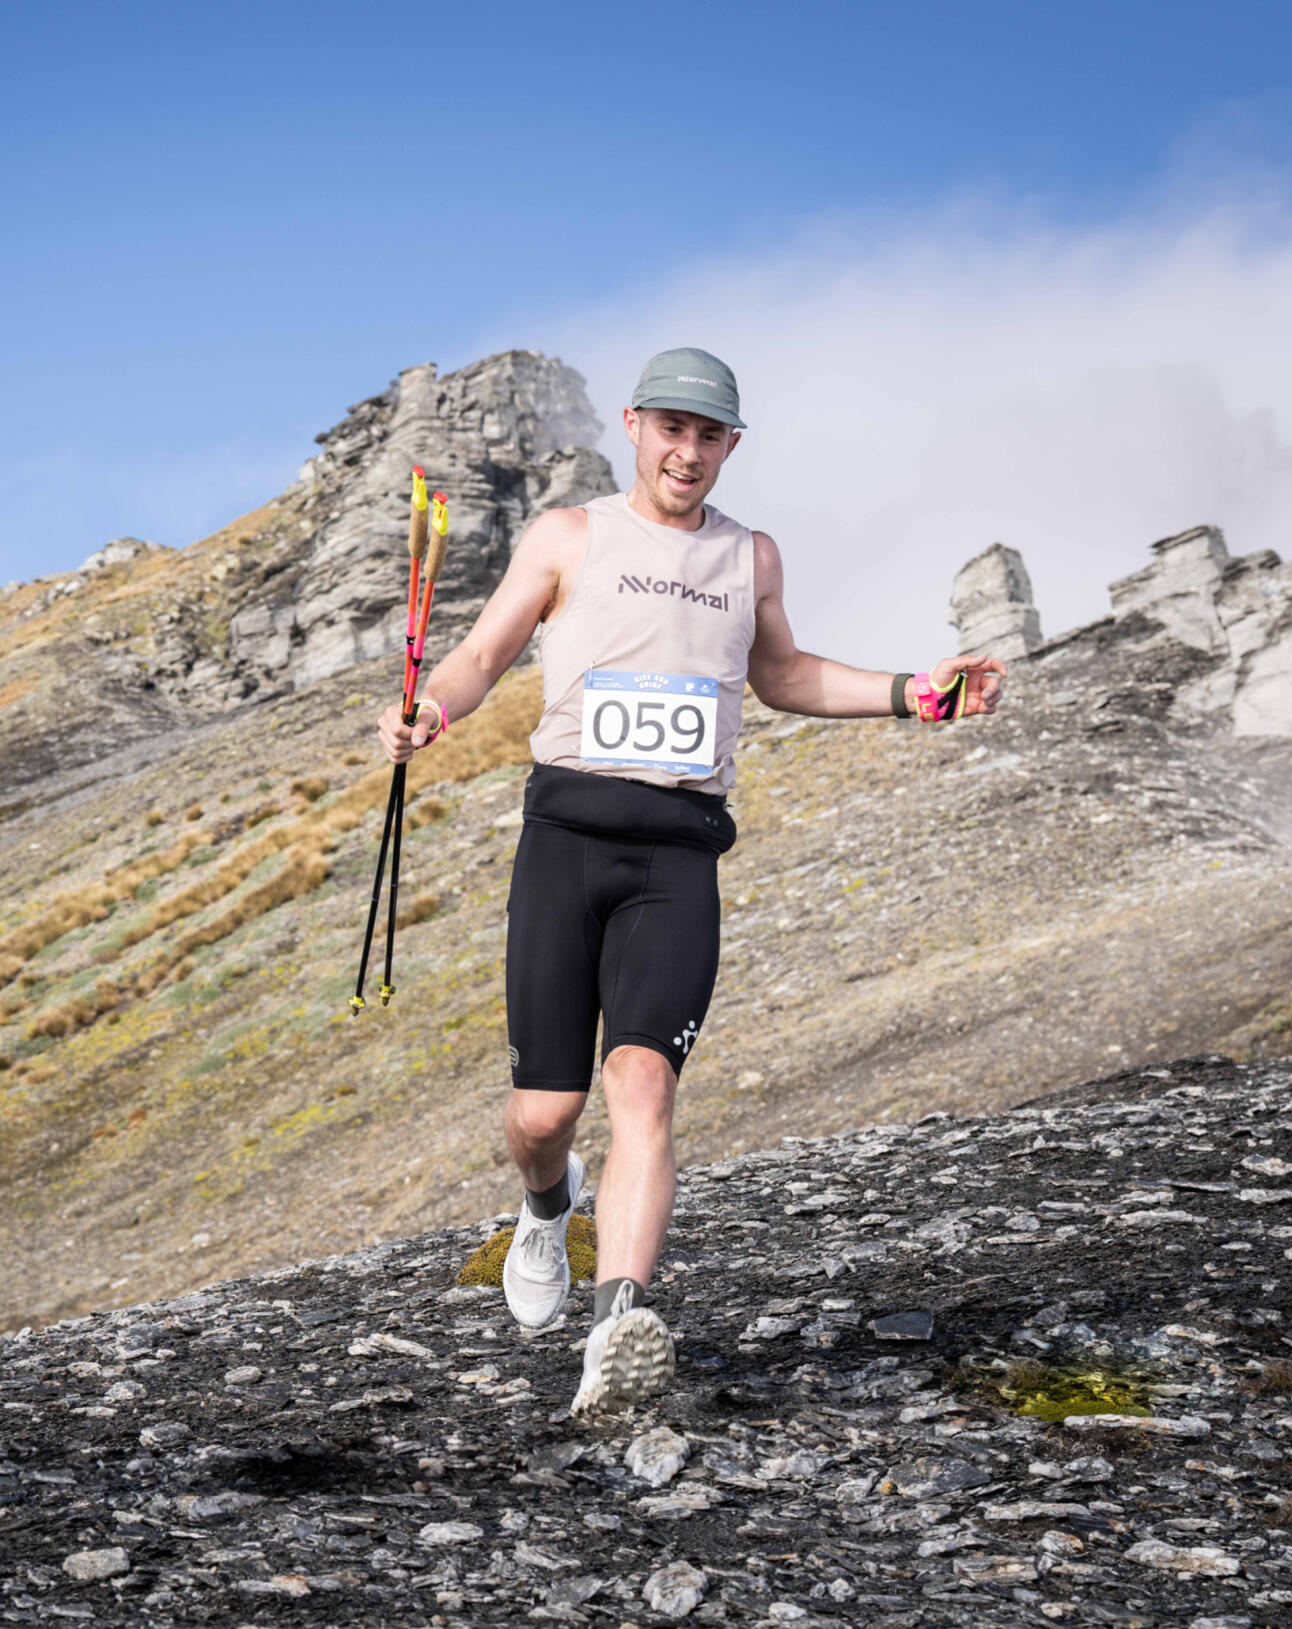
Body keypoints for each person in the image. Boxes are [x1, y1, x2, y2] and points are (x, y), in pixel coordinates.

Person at [375, 347, 1005, 1414]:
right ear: (634, 427)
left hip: (678, 855)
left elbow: (784, 674)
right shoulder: (569, 536)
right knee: (542, 1115)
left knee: (643, 1088)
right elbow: (482, 654)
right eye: (672, 428)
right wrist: (430, 711)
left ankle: (616, 1331)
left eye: (709, 435)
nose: (688, 451)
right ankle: (543, 1213)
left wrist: (915, 694)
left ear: (731, 447)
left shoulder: (748, 556)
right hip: (566, 841)